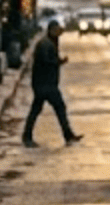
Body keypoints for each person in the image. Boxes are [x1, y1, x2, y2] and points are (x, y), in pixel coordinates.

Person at [22, 19, 82, 147]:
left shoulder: (49, 43)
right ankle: (67, 135)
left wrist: (58, 61)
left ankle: (27, 136)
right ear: (51, 30)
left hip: (44, 83)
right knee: (58, 108)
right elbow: (46, 62)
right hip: (45, 84)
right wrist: (59, 62)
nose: (58, 33)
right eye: (56, 30)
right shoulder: (46, 44)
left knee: (37, 110)